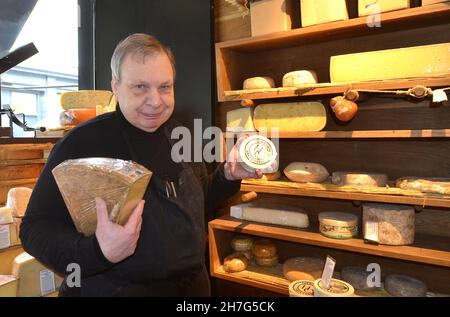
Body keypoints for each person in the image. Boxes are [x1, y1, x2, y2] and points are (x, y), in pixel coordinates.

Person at [20, 33, 261, 296]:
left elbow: (194, 202)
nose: (155, 101)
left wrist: (227, 176)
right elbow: (34, 229)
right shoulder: (81, 144)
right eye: (140, 87)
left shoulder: (183, 136)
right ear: (115, 86)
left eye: (164, 87)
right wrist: (97, 252)